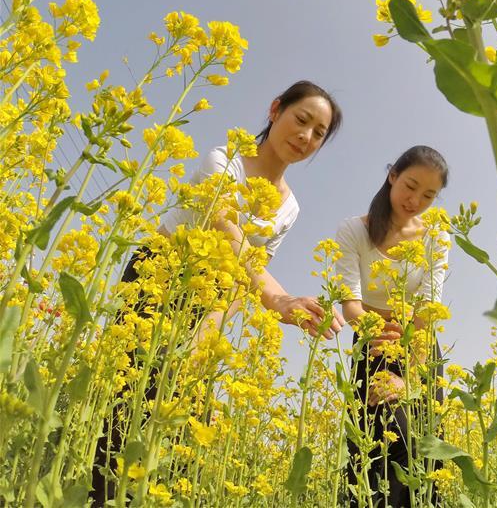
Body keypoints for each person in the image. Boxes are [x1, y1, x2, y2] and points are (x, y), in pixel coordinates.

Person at [90, 80, 346, 505]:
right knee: (129, 404)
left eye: (319, 133)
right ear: (275, 109)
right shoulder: (225, 160)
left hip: (211, 298)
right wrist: (279, 299)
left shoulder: (290, 207)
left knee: (186, 418)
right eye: (301, 120)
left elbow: (247, 273)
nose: (306, 136)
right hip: (157, 279)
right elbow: (227, 236)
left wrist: (206, 339)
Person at [334, 145, 450, 508]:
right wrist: (378, 340)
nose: (416, 200)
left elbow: (429, 306)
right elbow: (350, 303)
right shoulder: (355, 230)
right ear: (392, 175)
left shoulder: (437, 236)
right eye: (410, 186)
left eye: (429, 195)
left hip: (419, 345)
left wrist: (408, 374)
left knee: (425, 449)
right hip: (373, 343)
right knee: (376, 447)